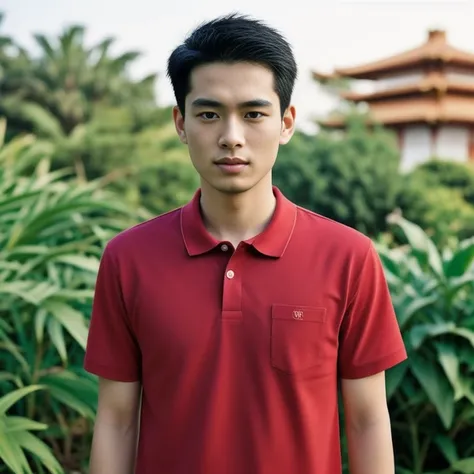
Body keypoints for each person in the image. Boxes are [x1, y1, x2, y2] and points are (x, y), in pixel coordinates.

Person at [84, 13, 407, 474]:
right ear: (181, 123)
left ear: (286, 122)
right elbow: (116, 421)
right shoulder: (128, 259)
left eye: (254, 114)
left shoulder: (349, 258)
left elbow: (368, 420)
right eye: (209, 114)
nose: (231, 137)